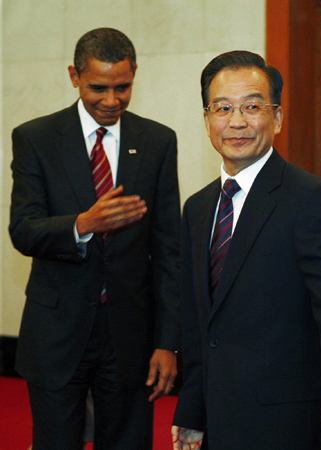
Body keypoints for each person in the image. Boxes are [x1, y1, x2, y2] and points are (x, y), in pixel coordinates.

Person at [171, 51, 321, 450]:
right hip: (216, 416)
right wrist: (191, 412)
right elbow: (199, 325)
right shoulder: (197, 208)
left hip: (286, 420)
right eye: (222, 108)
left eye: (252, 106)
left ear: (277, 117)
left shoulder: (311, 198)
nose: (236, 122)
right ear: (206, 119)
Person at [9, 27, 181, 450]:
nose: (111, 100)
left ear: (135, 74)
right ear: (74, 76)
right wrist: (83, 223)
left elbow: (170, 251)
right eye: (98, 87)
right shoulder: (36, 138)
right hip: (57, 333)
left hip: (130, 336)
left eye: (123, 87)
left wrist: (168, 343)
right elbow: (23, 230)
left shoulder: (157, 141)